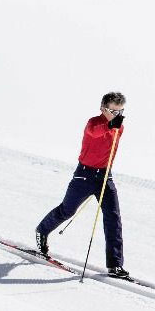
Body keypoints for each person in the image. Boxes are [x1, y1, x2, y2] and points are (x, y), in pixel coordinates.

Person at [35, 92, 130, 278]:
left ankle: (115, 265)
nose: (117, 115)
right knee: (67, 211)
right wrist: (110, 124)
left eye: (120, 111)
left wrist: (114, 125)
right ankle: (42, 230)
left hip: (104, 177)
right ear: (103, 108)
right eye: (113, 111)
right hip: (84, 175)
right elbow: (96, 133)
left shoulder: (120, 126)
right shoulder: (93, 123)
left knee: (113, 218)